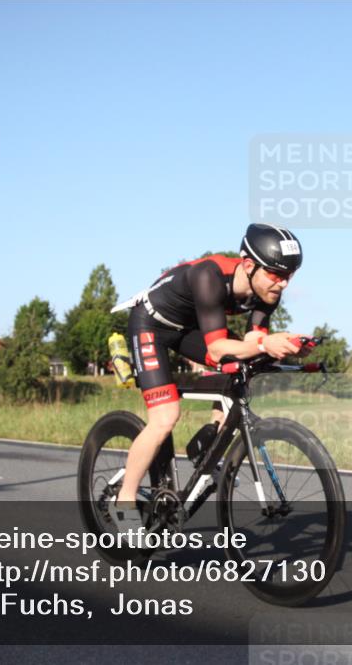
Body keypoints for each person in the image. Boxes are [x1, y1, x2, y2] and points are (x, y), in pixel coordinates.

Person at [111, 224, 309, 530]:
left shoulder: (267, 293)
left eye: (289, 275)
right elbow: (217, 350)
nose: (282, 283)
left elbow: (252, 344)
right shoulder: (210, 276)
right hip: (152, 325)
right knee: (165, 417)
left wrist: (286, 348)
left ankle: (209, 438)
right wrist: (263, 344)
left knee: (245, 366)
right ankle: (124, 502)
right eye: (275, 274)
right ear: (248, 264)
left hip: (190, 329)